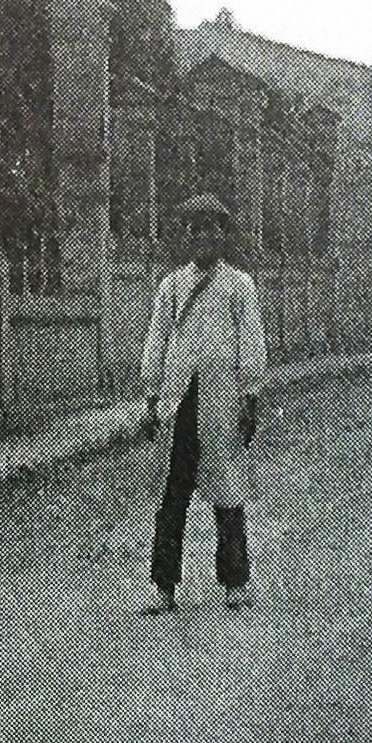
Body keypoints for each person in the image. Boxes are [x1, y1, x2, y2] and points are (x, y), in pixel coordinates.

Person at [140, 192, 266, 613]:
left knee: (228, 492)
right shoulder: (172, 286)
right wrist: (152, 394)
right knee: (172, 495)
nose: (201, 237)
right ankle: (163, 587)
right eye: (194, 229)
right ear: (186, 237)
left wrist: (250, 395)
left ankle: (235, 582)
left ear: (222, 234)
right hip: (180, 402)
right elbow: (157, 339)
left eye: (209, 228)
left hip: (221, 402)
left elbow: (250, 341)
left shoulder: (239, 285)